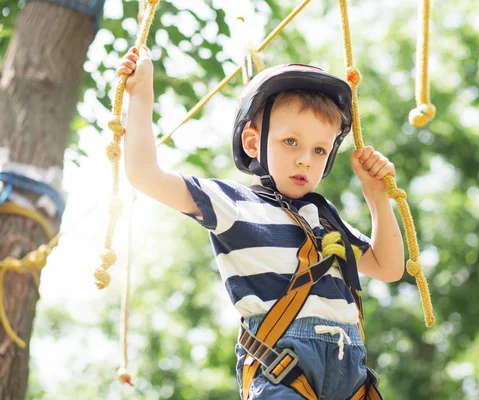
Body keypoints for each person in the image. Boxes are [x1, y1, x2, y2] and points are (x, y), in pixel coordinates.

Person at [118, 45, 405, 399]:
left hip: (349, 369)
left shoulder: (324, 217)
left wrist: (377, 198)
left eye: (319, 150)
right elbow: (145, 174)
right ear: (253, 143)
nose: (305, 160)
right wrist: (142, 94)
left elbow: (389, 267)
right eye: (290, 141)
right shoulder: (233, 204)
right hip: (283, 365)